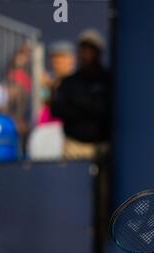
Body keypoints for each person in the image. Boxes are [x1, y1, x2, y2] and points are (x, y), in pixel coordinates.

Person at [51, 29, 111, 160]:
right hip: (74, 147)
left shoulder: (108, 81)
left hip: (102, 147)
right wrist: (88, 106)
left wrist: (79, 103)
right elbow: (58, 109)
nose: (86, 54)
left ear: (99, 53)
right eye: (83, 49)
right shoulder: (69, 82)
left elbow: (105, 109)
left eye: (91, 50)